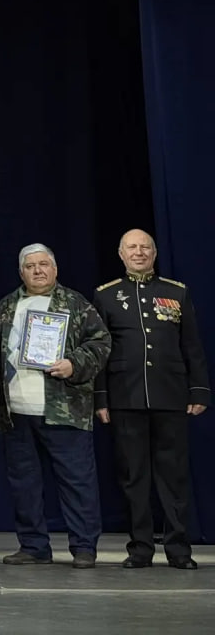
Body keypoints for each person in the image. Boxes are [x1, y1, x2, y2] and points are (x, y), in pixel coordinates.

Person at [0, 243, 111, 569]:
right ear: (21, 273)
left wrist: (74, 363)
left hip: (64, 408)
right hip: (16, 411)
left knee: (77, 482)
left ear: (55, 269)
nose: (38, 271)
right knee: (24, 484)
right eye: (30, 266)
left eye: (43, 264)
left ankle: (83, 547)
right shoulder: (6, 306)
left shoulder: (75, 303)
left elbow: (101, 342)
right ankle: (33, 546)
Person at [93, 229, 209, 569]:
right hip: (125, 397)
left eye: (145, 247)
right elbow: (100, 350)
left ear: (154, 254)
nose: (139, 252)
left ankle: (179, 549)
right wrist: (101, 398)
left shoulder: (176, 292)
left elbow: (192, 345)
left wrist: (199, 389)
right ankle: (140, 548)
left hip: (171, 396)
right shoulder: (106, 295)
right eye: (132, 247)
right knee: (134, 477)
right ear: (121, 254)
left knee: (174, 477)